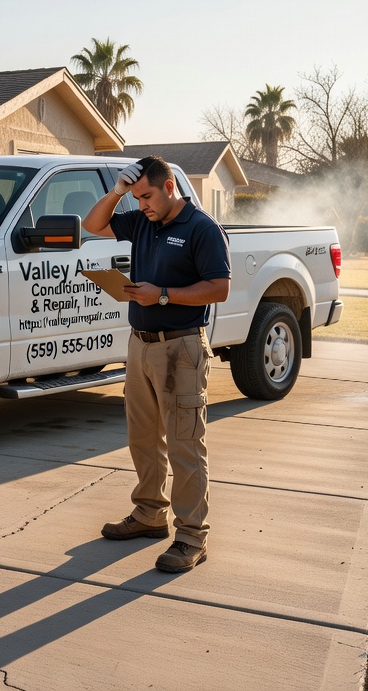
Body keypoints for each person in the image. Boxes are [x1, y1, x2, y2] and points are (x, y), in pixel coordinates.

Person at [82, 156, 231, 573]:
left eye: (146, 196)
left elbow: (219, 288)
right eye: (136, 197)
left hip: (181, 347)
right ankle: (149, 513)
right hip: (141, 345)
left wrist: (162, 294)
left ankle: (191, 536)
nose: (141, 205)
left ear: (169, 188)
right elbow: (92, 225)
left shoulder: (201, 229)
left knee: (185, 441)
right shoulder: (142, 222)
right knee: (143, 437)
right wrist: (117, 193)